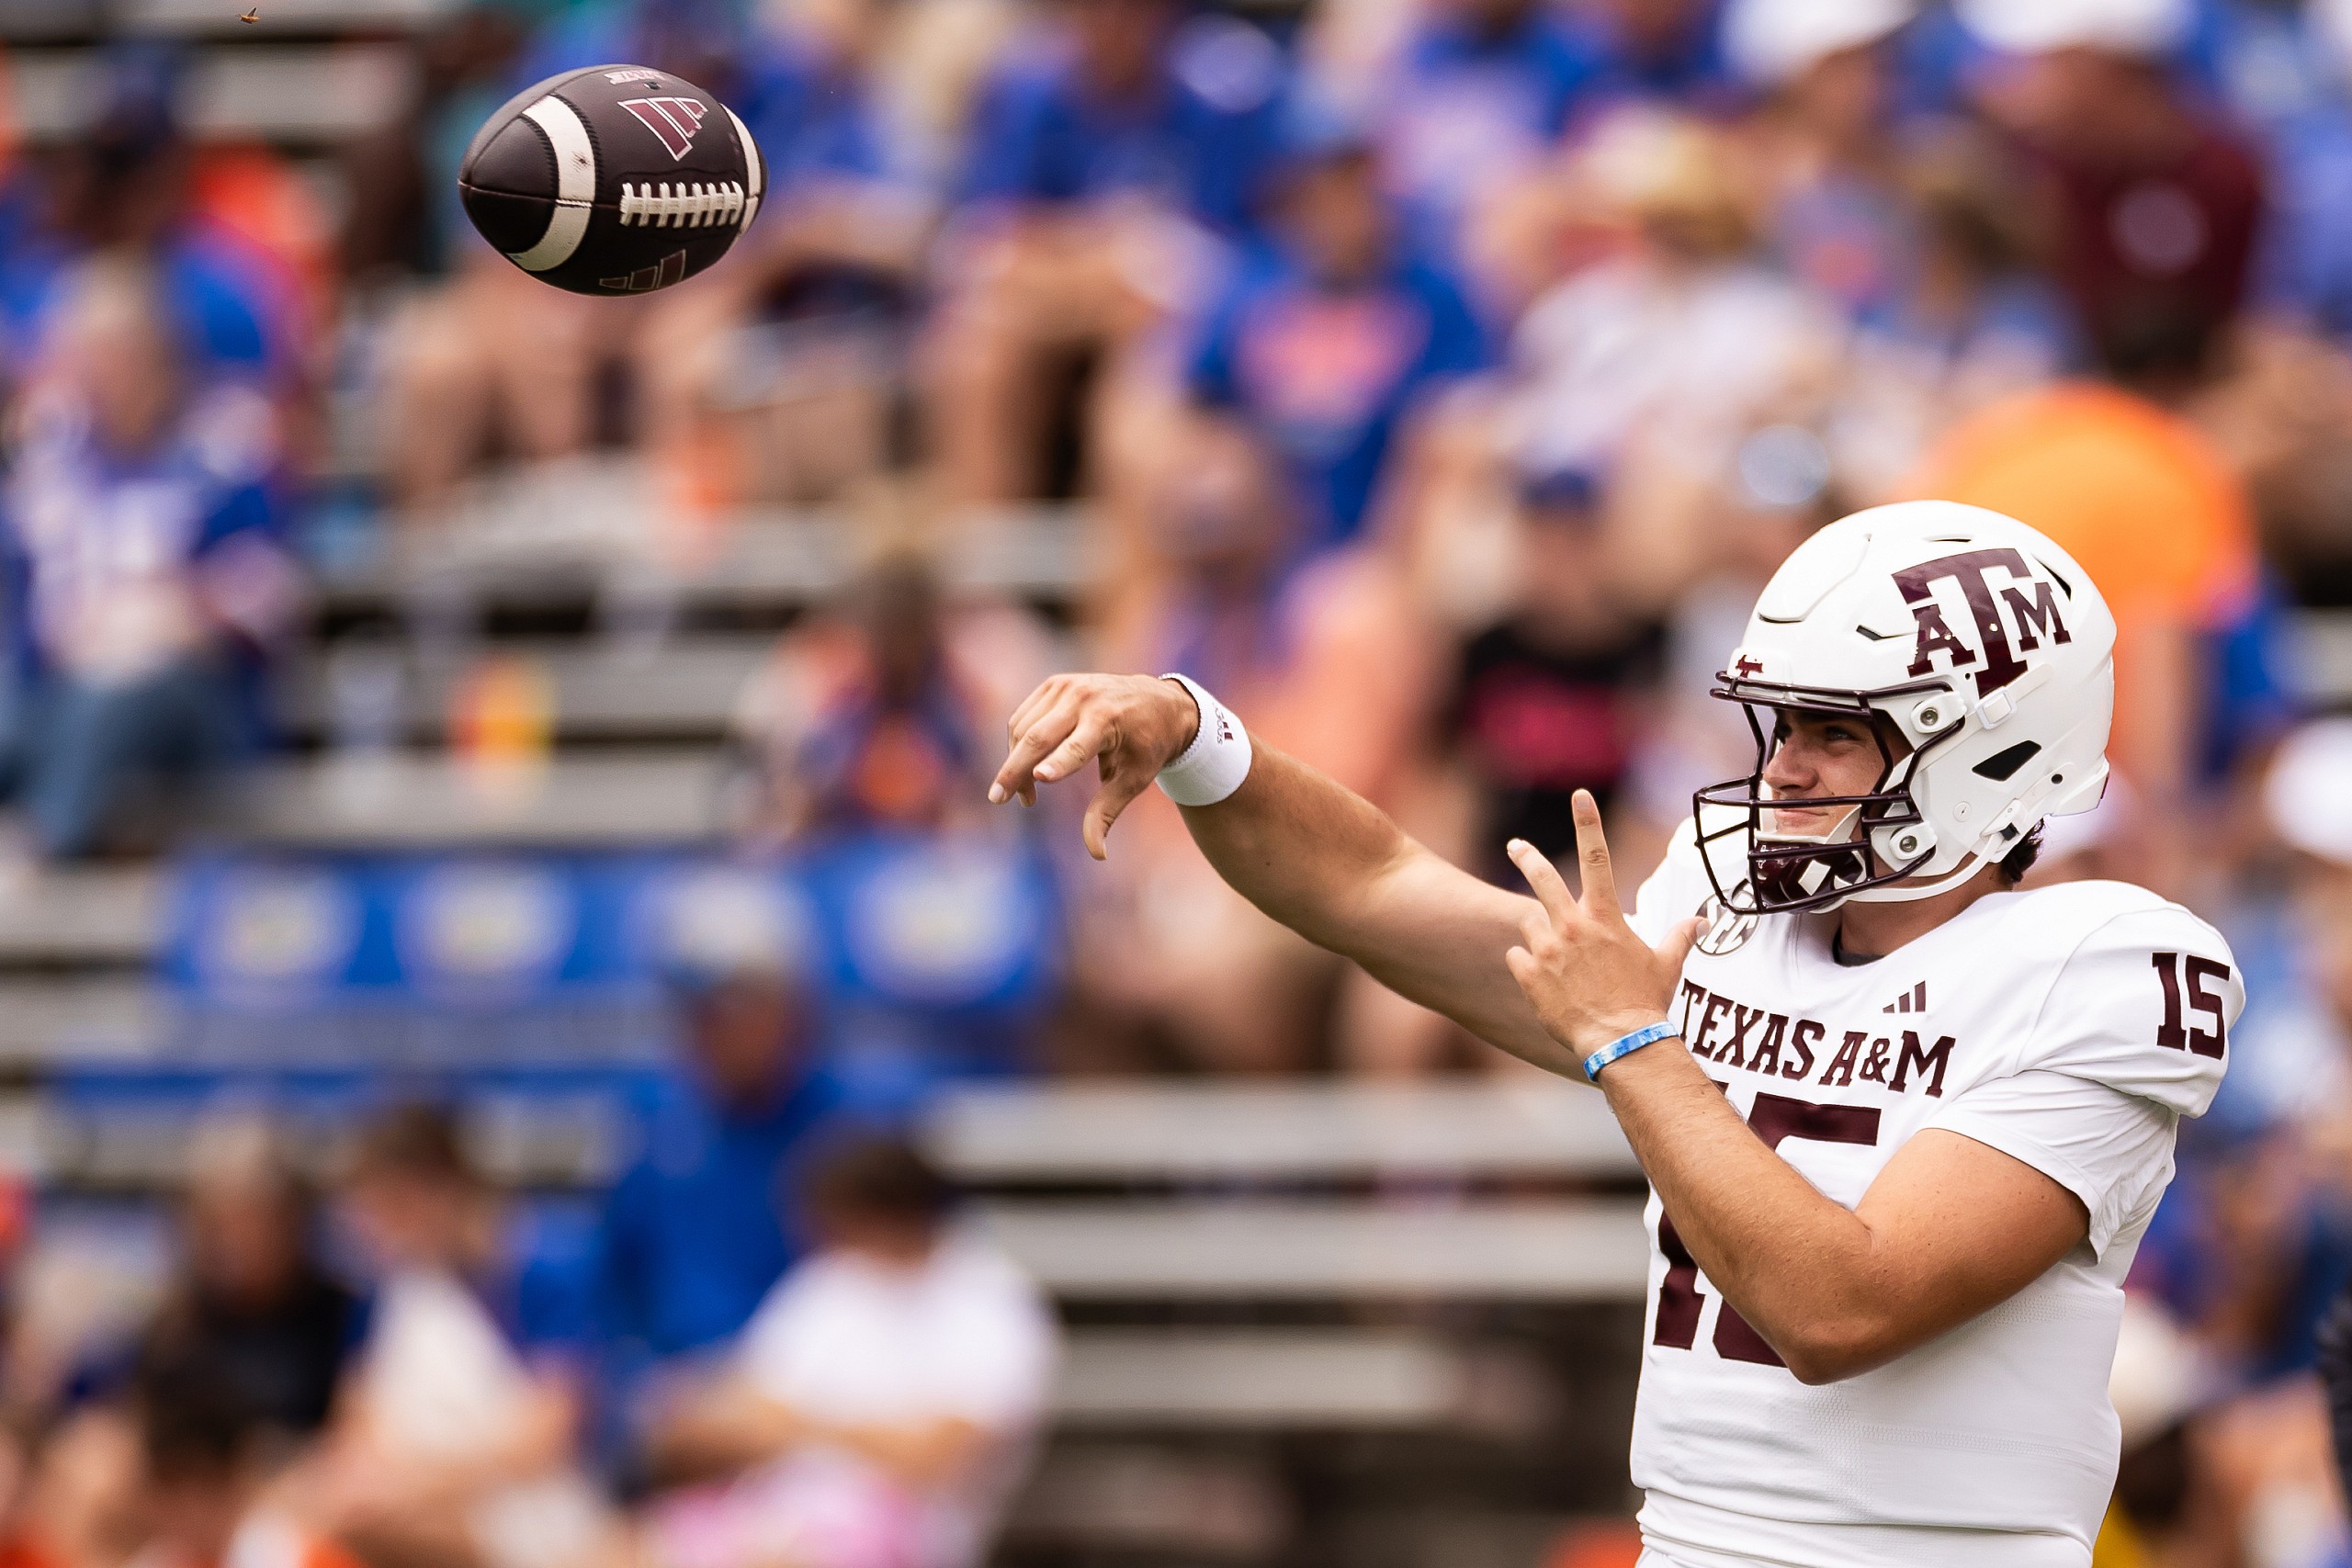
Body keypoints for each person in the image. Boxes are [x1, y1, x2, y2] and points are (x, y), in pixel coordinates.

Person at [990, 498, 2241, 1565]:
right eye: (1787, 723)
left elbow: (1843, 1307)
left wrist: (1635, 1040)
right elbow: (1380, 891)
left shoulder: (2108, 966)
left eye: (1839, 731)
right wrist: (1200, 736)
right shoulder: (1726, 920)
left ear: (1991, 746)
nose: (1787, 767)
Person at [639, 1134, 1057, 1568]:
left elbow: (935, 1458)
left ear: (885, 1215)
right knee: (617, 1548)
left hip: (914, 1529)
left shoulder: (992, 1301)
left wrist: (792, 1426)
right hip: (772, 1507)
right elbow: (725, 1418)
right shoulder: (827, 1283)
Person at [0, 254, 299, 859]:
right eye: (84, 356)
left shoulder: (226, 448)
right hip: (62, 687)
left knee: (119, 692)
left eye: (112, 354)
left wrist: (180, 612)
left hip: (194, 696)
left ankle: (39, 853)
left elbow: (271, 593)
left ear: (155, 354)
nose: (96, 375)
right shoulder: (51, 460)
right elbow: (29, 603)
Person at [308, 1106, 619, 1568]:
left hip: (520, 1502)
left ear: (442, 1189)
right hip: (403, 1495)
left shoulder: (543, 1273)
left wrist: (421, 1486)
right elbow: (356, 1423)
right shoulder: (390, 1291)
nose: (376, 1225)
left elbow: (550, 1433)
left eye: (393, 1203)